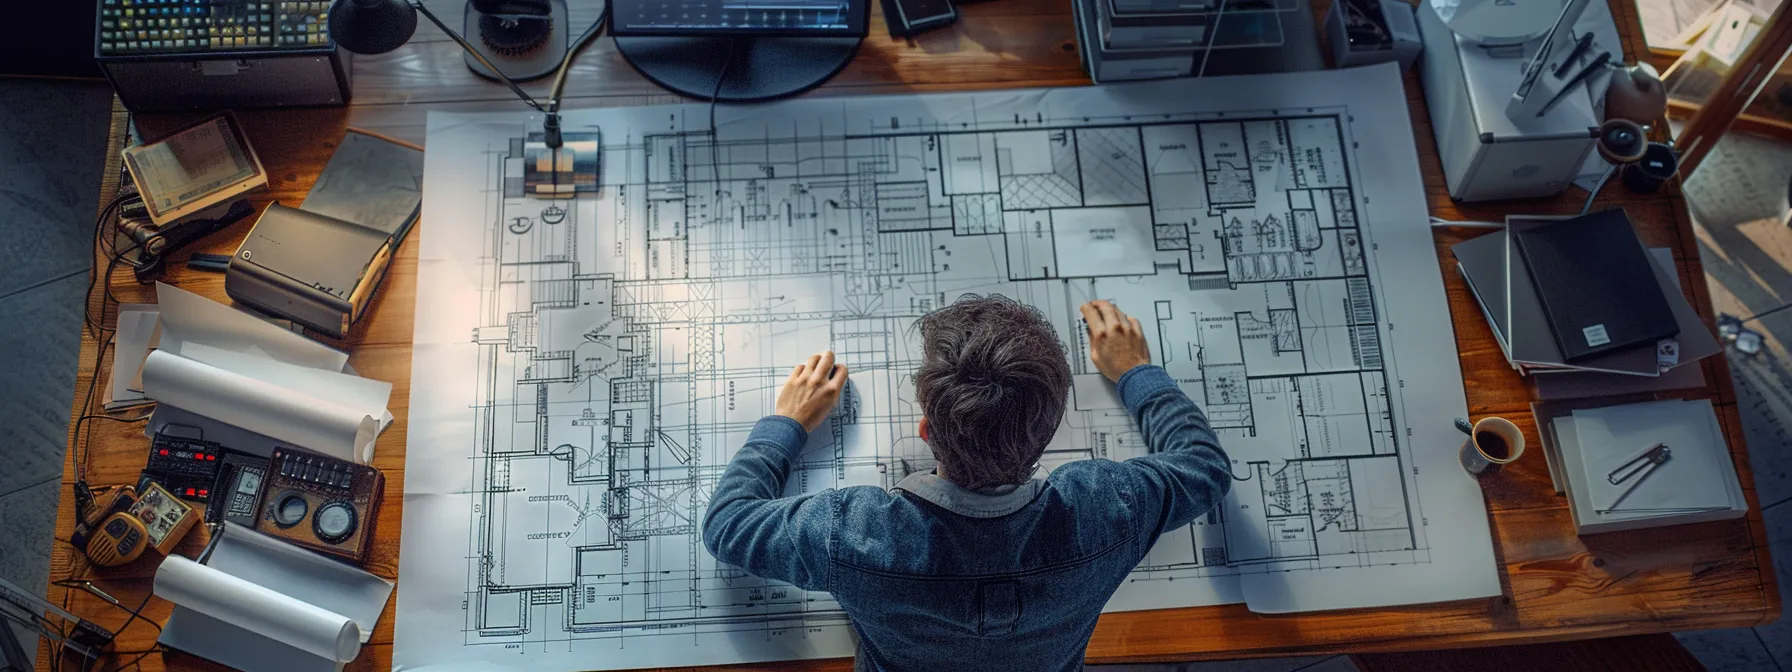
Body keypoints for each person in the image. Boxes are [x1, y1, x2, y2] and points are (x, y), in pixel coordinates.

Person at [702, 295, 1232, 672]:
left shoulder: (854, 536)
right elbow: (1204, 468)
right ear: (1047, 435)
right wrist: (1136, 371)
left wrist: (786, 424)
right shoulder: (1105, 510)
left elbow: (727, 524)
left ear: (927, 431)